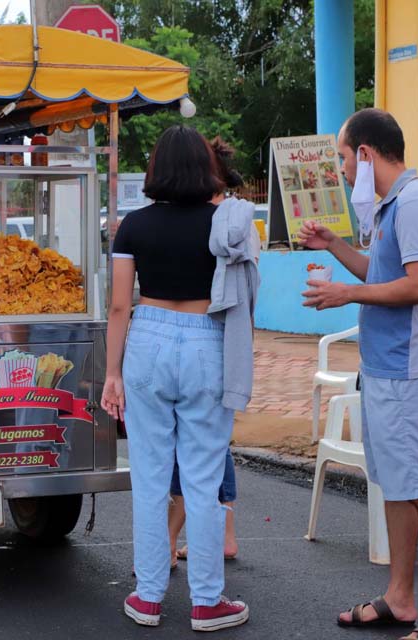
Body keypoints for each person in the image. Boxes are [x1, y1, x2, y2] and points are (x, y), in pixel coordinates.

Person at [299, 108, 418, 640]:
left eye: (345, 159)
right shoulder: (394, 206)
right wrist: (336, 249)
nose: (343, 172)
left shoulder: (415, 203)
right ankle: (400, 599)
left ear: (365, 154)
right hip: (387, 366)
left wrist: (346, 294)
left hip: (410, 370)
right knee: (395, 486)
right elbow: (384, 272)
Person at [102, 125, 251, 632]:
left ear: (156, 170)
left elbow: (121, 304)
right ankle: (207, 603)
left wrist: (111, 373)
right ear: (206, 168)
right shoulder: (227, 223)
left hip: (147, 339)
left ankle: (147, 598)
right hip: (207, 340)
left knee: (148, 477)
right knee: (203, 480)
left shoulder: (133, 227)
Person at [170, 137, 245, 565]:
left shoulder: (217, 219)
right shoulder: (230, 216)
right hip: (225, 340)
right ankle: (224, 532)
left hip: (204, 340)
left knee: (193, 445)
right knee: (214, 443)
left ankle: (167, 539)